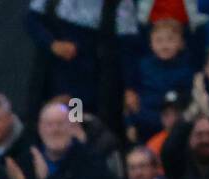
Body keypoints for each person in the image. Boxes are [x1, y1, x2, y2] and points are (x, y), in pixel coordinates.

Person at [25, 0, 141, 129]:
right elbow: (31, 19)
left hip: (89, 80)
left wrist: (130, 87)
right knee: (41, 122)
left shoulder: (120, 4)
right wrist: (52, 44)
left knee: (75, 124)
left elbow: (128, 48)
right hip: (50, 75)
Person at [124, 18, 195, 143]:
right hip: (144, 124)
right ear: (151, 44)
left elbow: (187, 102)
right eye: (159, 40)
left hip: (174, 128)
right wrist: (130, 124)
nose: (164, 45)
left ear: (181, 43)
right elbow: (130, 98)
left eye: (170, 39)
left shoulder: (187, 71)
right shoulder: (142, 66)